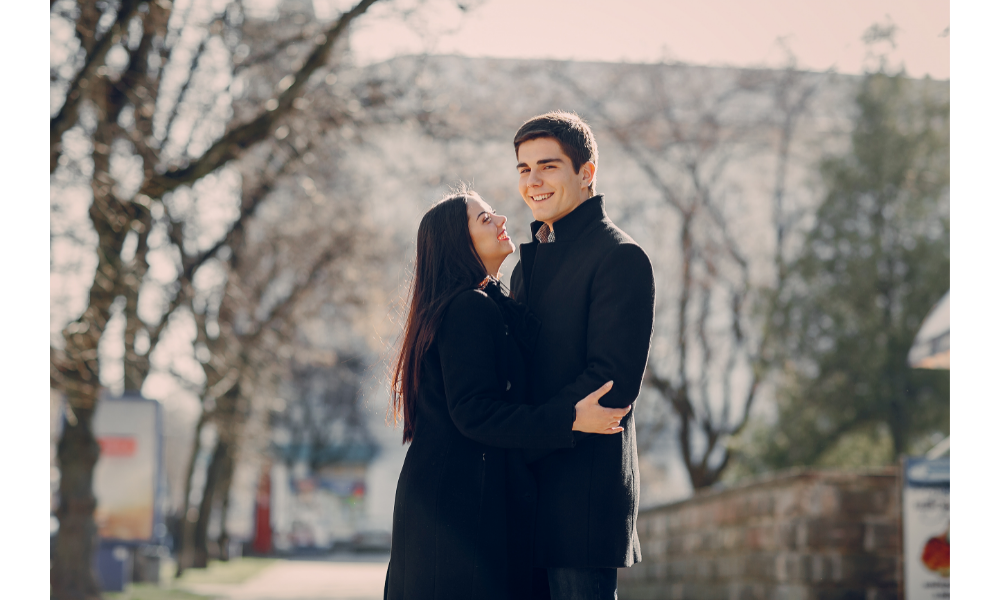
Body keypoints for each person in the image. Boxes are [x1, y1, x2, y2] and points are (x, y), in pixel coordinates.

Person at [383, 189, 631, 600]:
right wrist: (569, 419)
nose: (501, 220)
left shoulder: (482, 303)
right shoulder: (468, 308)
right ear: (458, 244)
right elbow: (474, 411)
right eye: (484, 219)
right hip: (457, 513)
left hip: (451, 505)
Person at [509, 111, 656, 600]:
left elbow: (611, 382)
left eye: (548, 166)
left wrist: (525, 434)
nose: (534, 182)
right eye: (524, 169)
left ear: (586, 173)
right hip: (525, 499)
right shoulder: (526, 268)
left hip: (581, 504)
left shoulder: (620, 257)